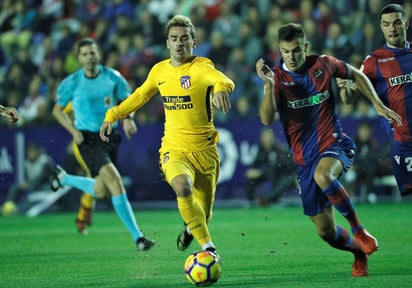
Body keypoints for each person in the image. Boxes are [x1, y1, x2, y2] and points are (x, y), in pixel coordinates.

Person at [255, 23, 401, 277]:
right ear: (280, 49)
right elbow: (267, 119)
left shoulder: (322, 64)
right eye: (286, 51)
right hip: (304, 161)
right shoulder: (278, 79)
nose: (292, 55)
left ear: (306, 47)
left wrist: (377, 105)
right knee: (326, 232)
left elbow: (355, 74)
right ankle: (358, 251)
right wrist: (268, 85)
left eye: (297, 50)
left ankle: (359, 229)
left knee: (323, 175)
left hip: (335, 143)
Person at [99, 15, 234, 257]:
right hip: (174, 148)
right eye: (174, 39)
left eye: (184, 38)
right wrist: (113, 113)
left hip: (206, 153)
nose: (179, 43)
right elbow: (140, 96)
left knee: (204, 213)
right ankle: (209, 248)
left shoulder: (201, 67)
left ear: (194, 41)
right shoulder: (159, 70)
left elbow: (223, 80)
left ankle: (192, 228)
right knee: (182, 187)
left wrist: (222, 88)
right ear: (167, 43)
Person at [49, 37, 154, 251]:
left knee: (102, 190)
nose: (89, 57)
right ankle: (138, 238)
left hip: (110, 137)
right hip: (87, 139)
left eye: (92, 53)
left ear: (99, 54)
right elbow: (56, 110)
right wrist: (72, 130)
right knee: (115, 182)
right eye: (85, 54)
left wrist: (128, 119)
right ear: (79, 58)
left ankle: (64, 178)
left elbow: (128, 102)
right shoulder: (72, 82)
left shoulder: (113, 78)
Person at [338, 3, 412, 197]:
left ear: (406, 24)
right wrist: (345, 88)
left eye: (396, 23)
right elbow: (348, 99)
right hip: (403, 142)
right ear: (381, 27)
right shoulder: (374, 61)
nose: (392, 28)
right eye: (386, 24)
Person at [244, 127, 295, 206]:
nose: (266, 139)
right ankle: (250, 201)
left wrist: (260, 172)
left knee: (279, 180)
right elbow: (255, 165)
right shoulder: (260, 150)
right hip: (267, 174)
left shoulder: (278, 149)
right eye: (264, 137)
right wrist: (252, 171)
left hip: (283, 175)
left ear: (272, 138)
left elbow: (276, 167)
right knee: (251, 176)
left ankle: (270, 200)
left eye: (268, 137)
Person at [1, 143, 54, 216]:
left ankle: (19, 210)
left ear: (37, 151)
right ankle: (8, 205)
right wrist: (27, 183)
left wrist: (30, 183)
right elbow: (28, 177)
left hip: (47, 185)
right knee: (15, 187)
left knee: (33, 191)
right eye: (29, 152)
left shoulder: (45, 161)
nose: (31, 154)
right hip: (33, 184)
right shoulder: (27, 163)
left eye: (33, 152)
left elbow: (44, 177)